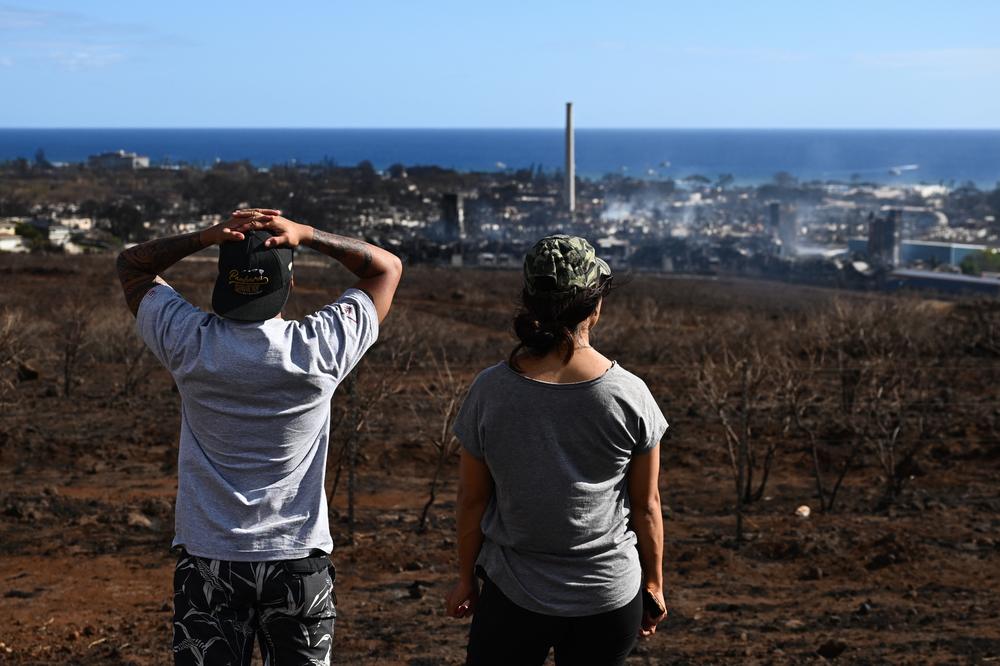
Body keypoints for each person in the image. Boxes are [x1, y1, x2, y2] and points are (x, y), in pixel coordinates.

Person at [116, 208, 402, 666]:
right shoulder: (318, 349)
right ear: (287, 285)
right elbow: (386, 268)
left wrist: (208, 236)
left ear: (221, 284)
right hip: (297, 559)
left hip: (210, 560)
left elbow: (132, 264)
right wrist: (306, 233)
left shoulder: (190, 342)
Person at [445, 235, 668, 666]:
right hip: (608, 596)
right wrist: (654, 584)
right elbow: (646, 505)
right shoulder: (630, 394)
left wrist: (464, 580)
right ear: (595, 307)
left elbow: (472, 499)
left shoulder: (491, 390)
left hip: (513, 594)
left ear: (529, 302)